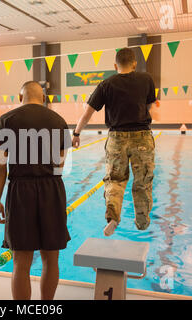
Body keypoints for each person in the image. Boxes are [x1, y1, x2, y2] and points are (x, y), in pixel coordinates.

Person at [0, 81, 71, 300]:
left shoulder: (6, 121)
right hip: (52, 189)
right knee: (50, 259)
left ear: (20, 98)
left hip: (20, 191)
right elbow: (60, 164)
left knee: (21, 261)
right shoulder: (59, 121)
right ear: (44, 98)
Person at [72, 47, 156, 237]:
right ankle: (142, 220)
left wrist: (76, 133)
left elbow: (88, 112)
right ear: (134, 64)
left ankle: (113, 218)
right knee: (143, 180)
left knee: (115, 181)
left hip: (117, 138)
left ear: (115, 65)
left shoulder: (106, 84)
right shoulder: (146, 80)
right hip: (142, 135)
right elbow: (149, 105)